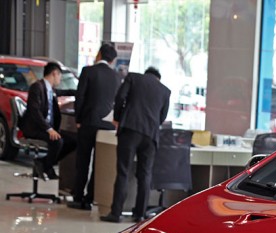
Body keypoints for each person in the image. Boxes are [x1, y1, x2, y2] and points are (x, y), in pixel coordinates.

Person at [101, 67, 171, 223]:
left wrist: (118, 118)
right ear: (158, 78)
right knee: (145, 174)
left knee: (123, 171)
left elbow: (120, 97)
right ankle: (140, 214)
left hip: (130, 130)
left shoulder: (133, 78)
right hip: (150, 136)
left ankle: (116, 213)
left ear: (146, 74)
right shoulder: (165, 91)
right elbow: (162, 116)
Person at [68, 43, 120, 211]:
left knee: (83, 160)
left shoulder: (88, 71)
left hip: (88, 122)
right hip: (107, 126)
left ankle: (78, 197)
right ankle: (90, 197)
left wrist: (78, 118)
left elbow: (80, 97)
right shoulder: (116, 76)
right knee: (99, 163)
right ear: (113, 60)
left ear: (99, 55)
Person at [19, 62, 76, 180]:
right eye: (60, 76)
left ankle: (44, 163)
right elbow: (34, 111)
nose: (60, 79)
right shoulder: (37, 87)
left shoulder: (51, 90)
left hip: (46, 128)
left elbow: (66, 92)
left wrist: (82, 91)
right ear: (54, 73)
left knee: (74, 140)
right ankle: (47, 166)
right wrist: (49, 129)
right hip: (35, 128)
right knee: (57, 141)